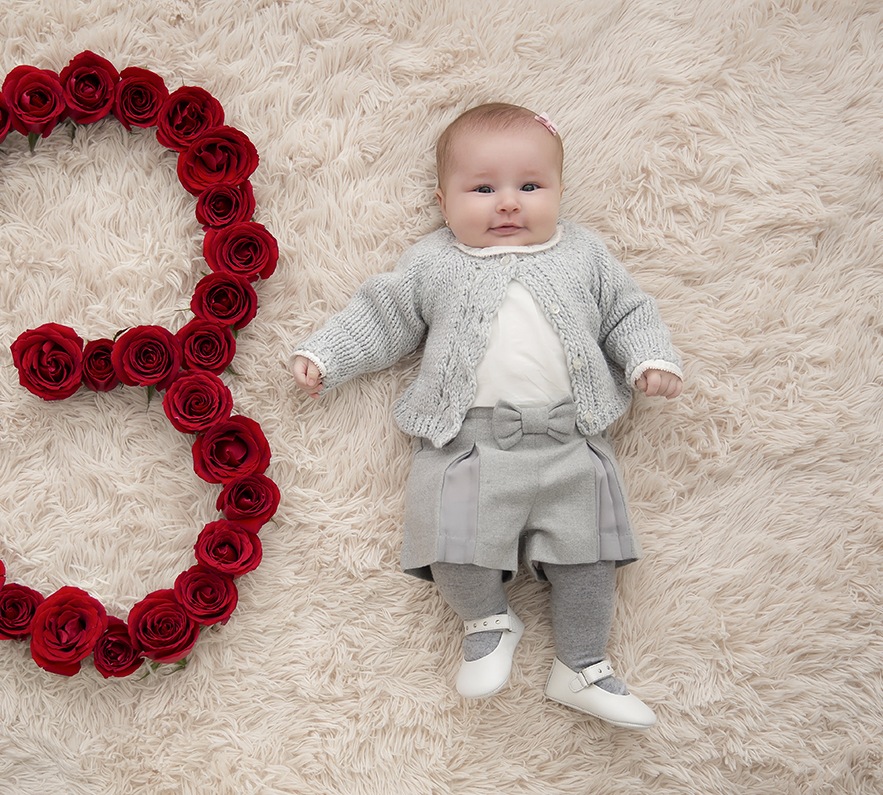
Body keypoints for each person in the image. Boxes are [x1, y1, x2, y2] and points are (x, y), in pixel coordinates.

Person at [291, 103, 682, 730]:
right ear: (443, 203)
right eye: (482, 189)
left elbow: (628, 311)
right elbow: (383, 316)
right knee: (451, 539)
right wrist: (327, 355)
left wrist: (649, 358)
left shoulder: (584, 253)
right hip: (468, 444)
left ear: (559, 192)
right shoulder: (433, 262)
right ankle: (487, 622)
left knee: (591, 557)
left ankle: (582, 665)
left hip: (571, 443)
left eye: (530, 186)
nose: (507, 204)